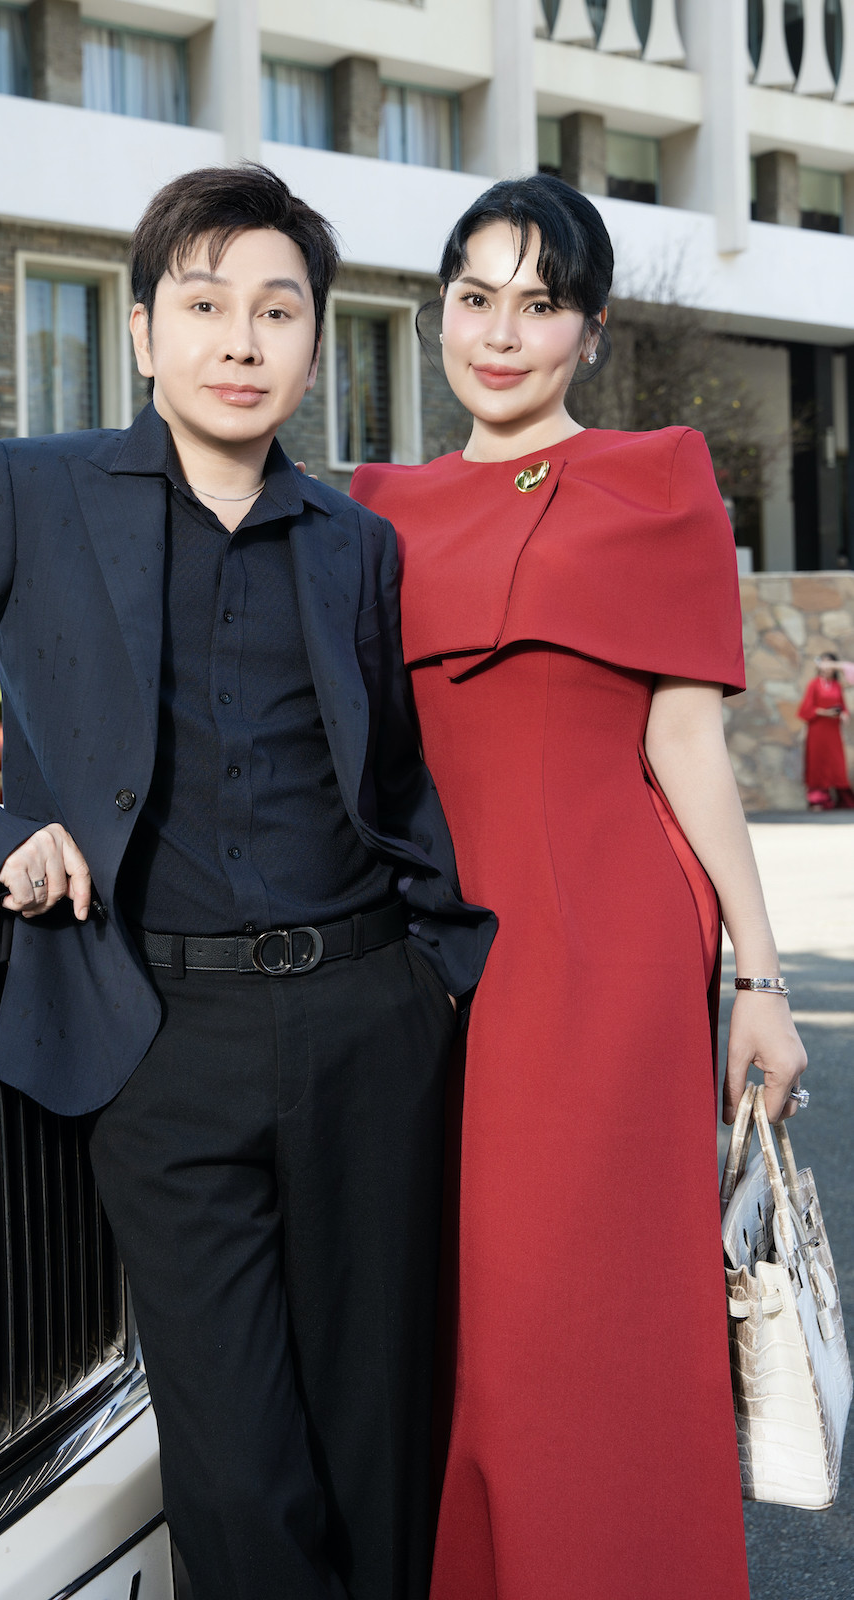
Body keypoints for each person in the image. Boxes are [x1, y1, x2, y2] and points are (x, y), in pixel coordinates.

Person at [0, 164, 494, 1600]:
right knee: (237, 1473)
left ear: (313, 340)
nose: (240, 341)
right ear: (141, 332)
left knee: (380, 1448)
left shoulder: (356, 544)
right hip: (155, 1034)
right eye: (203, 306)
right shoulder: (37, 490)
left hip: (369, 1020)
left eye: (276, 311)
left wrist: (437, 981)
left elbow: (391, 782)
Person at [352, 174, 808, 1600]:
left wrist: (757, 976)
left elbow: (684, 742)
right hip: (415, 962)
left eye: (538, 304)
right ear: (435, 315)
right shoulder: (370, 509)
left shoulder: (656, 475)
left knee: (574, 1327)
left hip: (599, 952)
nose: (500, 333)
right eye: (474, 298)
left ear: (589, 332)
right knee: (456, 1333)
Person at [798, 652, 854, 809]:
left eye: (830, 664)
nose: (827, 668)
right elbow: (806, 709)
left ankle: (842, 799)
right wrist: (825, 712)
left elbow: (842, 706)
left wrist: (843, 714)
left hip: (833, 730)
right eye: (824, 663)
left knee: (836, 762)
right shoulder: (814, 684)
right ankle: (818, 799)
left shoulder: (837, 685)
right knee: (818, 761)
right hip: (817, 730)